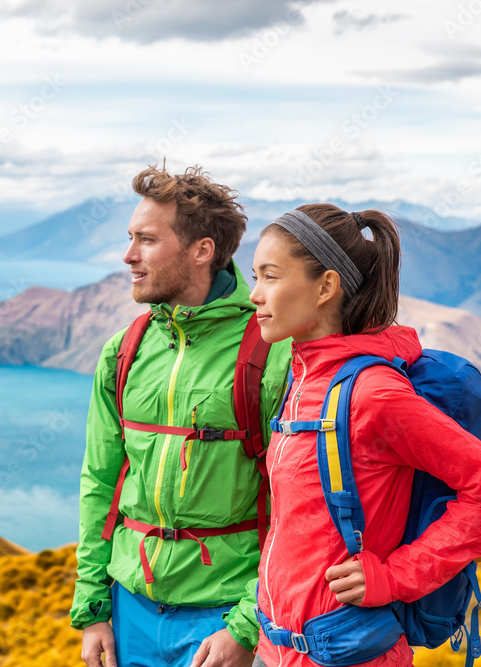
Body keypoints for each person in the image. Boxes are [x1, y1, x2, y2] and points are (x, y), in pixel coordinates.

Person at [248, 204, 481, 667]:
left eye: (270, 277)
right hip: (274, 647)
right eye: (255, 276)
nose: (255, 295)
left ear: (326, 287)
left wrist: (394, 578)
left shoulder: (374, 394)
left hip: (347, 654)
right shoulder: (303, 377)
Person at [70, 165, 292, 667]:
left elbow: (296, 508)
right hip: (130, 612)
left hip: (225, 616)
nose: (128, 256)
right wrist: (93, 609)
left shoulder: (271, 353)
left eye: (146, 240)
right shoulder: (124, 351)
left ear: (202, 251)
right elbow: (99, 483)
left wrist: (246, 625)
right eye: (130, 238)